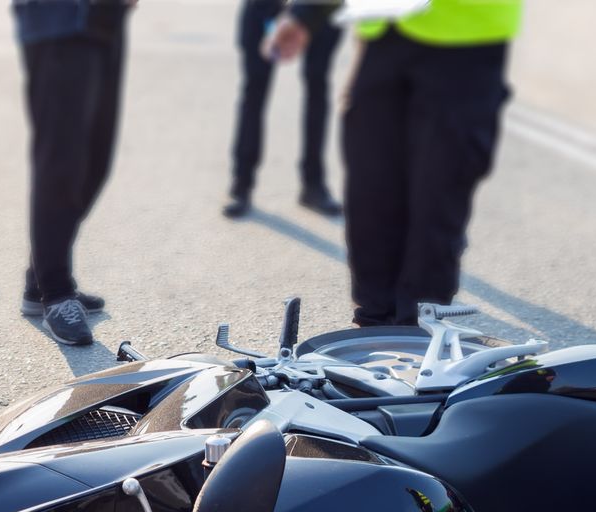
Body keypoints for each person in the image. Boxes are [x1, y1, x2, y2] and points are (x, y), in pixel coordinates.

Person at [270, 0, 521, 325]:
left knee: (437, 194)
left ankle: (417, 332)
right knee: (369, 191)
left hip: (466, 39)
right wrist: (309, 11)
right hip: (384, 30)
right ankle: (373, 324)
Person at [13, 0, 135, 347]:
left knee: (96, 160)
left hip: (105, 19)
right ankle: (55, 292)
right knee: (62, 161)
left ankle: (40, 281)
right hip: (58, 20)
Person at [223, 1, 343, 221]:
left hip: (321, 8)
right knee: (254, 88)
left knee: (317, 85)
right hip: (265, 6)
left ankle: (313, 185)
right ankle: (241, 183)